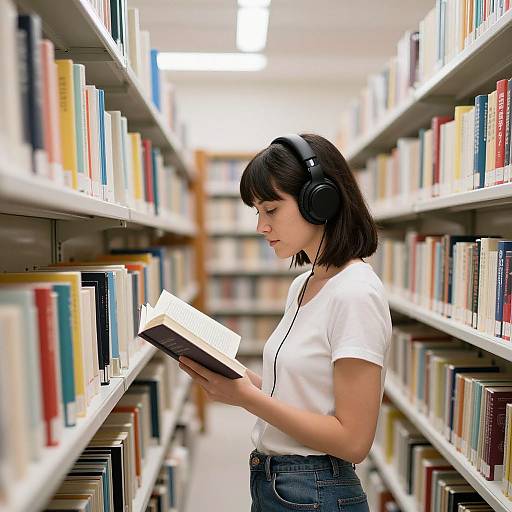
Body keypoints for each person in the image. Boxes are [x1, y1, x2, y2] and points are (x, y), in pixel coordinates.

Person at [178, 133, 392, 511]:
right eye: (257, 212)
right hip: (275, 482)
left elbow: (354, 440)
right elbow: (304, 393)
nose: (261, 226)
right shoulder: (303, 285)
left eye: (271, 210)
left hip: (316, 490)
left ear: (320, 201)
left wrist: (247, 399)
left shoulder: (355, 293)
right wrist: (239, 379)